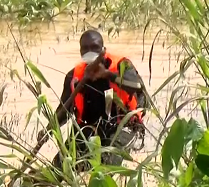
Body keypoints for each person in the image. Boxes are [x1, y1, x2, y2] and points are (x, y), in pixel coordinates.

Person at [43, 29, 148, 168]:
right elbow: (64, 111)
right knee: (62, 165)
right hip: (88, 126)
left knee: (107, 164)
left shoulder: (122, 66)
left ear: (103, 49)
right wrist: (49, 129)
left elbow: (136, 87)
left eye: (95, 47)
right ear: (80, 51)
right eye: (85, 48)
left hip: (122, 126)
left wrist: (107, 75)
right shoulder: (74, 77)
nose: (90, 51)